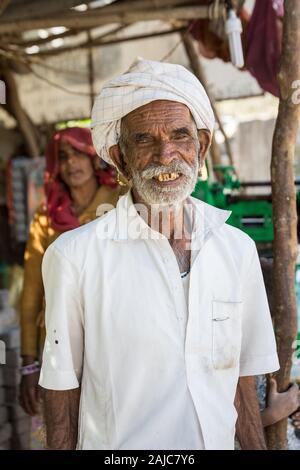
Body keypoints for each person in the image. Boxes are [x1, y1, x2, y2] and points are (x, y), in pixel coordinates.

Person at [39, 59, 280, 450]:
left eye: (179, 135)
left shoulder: (237, 250)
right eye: (144, 140)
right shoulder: (74, 257)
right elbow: (62, 390)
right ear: (120, 159)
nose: (166, 154)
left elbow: (240, 381)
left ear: (200, 146)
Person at [19, 127, 126, 418]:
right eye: (63, 157)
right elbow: (31, 294)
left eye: (79, 154)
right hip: (58, 341)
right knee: (63, 425)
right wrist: (29, 365)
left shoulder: (120, 201)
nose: (71, 164)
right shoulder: (46, 217)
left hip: (114, 337)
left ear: (94, 159)